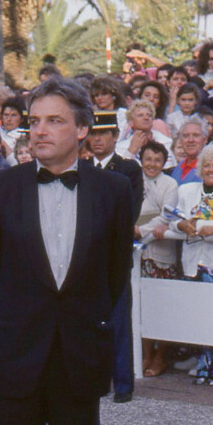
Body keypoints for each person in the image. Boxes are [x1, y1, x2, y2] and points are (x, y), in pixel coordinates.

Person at [0, 77, 134, 424]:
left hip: (81, 356)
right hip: (13, 354)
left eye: (54, 121)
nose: (40, 131)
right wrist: (11, 320)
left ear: (82, 129)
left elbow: (116, 274)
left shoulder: (114, 190)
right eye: (34, 121)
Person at [87, 110, 143, 403]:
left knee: (119, 322)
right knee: (89, 321)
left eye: (104, 134)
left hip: (114, 255)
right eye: (94, 134)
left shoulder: (128, 169)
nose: (98, 139)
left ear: (115, 136)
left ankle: (123, 384)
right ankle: (96, 379)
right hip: (86, 258)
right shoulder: (81, 167)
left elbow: (128, 214)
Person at [135, 141, 179, 378]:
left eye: (157, 160)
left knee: (161, 305)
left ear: (164, 162)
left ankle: (160, 357)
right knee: (143, 306)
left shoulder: (170, 184)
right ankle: (146, 355)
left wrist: (140, 230)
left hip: (161, 252)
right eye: (148, 159)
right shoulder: (134, 179)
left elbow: (167, 214)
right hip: (138, 253)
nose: (152, 164)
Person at [170, 144, 213, 384]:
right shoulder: (187, 190)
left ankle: (208, 365)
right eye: (206, 164)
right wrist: (180, 225)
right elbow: (171, 220)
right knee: (196, 313)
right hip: (192, 263)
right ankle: (200, 360)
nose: (210, 169)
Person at [115, 100, 175, 169]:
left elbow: (171, 168)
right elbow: (121, 172)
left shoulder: (167, 142)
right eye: (140, 115)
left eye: (149, 115)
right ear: (131, 122)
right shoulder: (120, 147)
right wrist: (131, 151)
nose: (146, 118)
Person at [169, 117, 208, 186]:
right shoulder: (178, 167)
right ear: (181, 140)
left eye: (196, 135)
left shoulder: (209, 168)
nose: (190, 140)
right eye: (186, 136)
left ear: (205, 140)